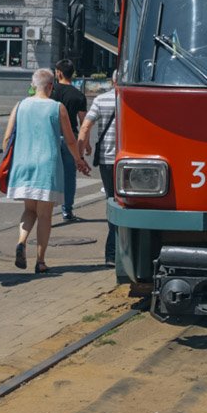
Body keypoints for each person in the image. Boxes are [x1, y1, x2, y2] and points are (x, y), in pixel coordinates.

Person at [4, 68, 91, 274]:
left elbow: (7, 138)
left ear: (33, 85)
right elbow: (70, 140)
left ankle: (21, 241)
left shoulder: (20, 105)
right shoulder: (57, 107)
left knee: (29, 210)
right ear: (51, 86)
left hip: (23, 164)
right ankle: (40, 261)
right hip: (47, 165)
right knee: (44, 215)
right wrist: (78, 160)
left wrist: (8, 162)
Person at [78, 71, 118, 266]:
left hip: (107, 160)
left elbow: (85, 127)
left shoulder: (101, 100)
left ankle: (111, 255)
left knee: (112, 202)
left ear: (112, 81)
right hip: (132, 160)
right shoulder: (134, 100)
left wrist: (81, 154)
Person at [49, 59, 87, 221]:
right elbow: (83, 122)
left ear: (58, 73)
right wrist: (85, 145)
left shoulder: (50, 92)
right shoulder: (78, 95)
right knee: (69, 176)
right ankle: (67, 211)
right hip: (70, 138)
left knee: (49, 175)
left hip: (50, 137)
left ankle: (46, 211)